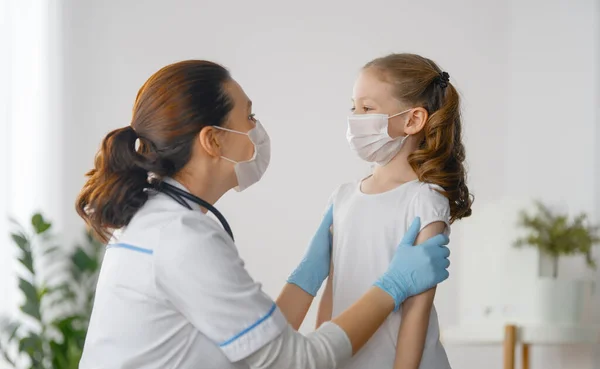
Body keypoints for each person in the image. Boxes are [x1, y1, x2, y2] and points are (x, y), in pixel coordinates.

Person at [75, 60, 452, 369]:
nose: (257, 128)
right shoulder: (181, 239)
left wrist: (305, 280)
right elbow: (294, 360)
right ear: (213, 139)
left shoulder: (165, 224)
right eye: (249, 116)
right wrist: (392, 286)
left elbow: (261, 344)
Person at [315, 53, 474, 369]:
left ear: (412, 120)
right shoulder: (343, 197)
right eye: (354, 107)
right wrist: (318, 359)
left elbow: (417, 311)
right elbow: (333, 291)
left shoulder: (425, 200)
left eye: (367, 108)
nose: (355, 118)